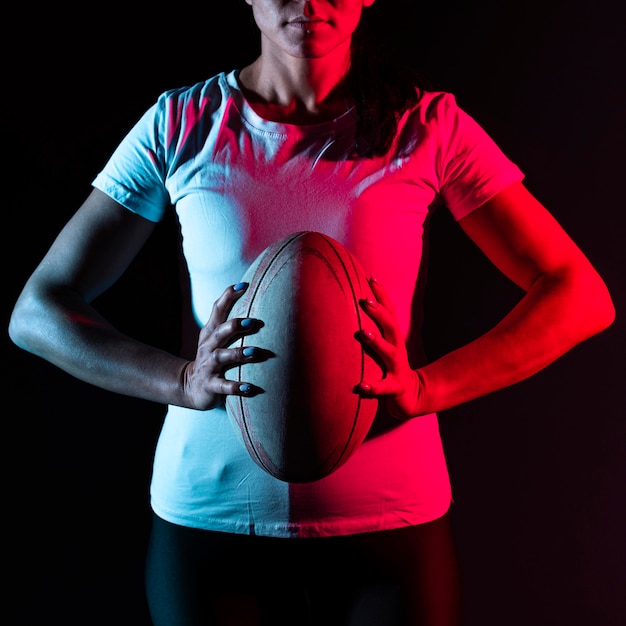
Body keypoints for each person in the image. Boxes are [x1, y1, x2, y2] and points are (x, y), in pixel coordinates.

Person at [9, 1, 615, 625]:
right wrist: (180, 380)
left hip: (388, 519)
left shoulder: (426, 124)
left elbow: (578, 294)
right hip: (211, 523)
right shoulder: (182, 124)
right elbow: (38, 311)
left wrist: (429, 388)